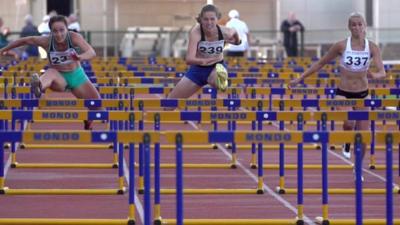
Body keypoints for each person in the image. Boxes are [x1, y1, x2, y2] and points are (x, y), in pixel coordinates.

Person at [289, 13, 386, 181]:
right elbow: (321, 63)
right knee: (350, 122)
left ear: (365, 26)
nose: (357, 27)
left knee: (364, 136)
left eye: (359, 24)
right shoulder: (341, 46)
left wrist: (376, 76)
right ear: (349, 27)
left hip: (363, 94)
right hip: (343, 92)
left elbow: (382, 71)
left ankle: (358, 168)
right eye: (353, 25)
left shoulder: (372, 47)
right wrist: (300, 78)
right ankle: (346, 140)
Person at [0, 15, 100, 130]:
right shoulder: (46, 41)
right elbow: (24, 40)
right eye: (55, 31)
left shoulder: (74, 37)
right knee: (51, 71)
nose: (58, 34)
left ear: (67, 29)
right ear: (51, 32)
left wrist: (80, 57)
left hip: (77, 76)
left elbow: (91, 52)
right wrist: (4, 49)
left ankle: (88, 120)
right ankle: (38, 86)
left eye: (62, 30)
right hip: (58, 78)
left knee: (98, 106)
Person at [167, 4, 241, 99]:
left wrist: (237, 41)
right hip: (197, 70)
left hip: (216, 67)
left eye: (212, 19)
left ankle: (220, 81)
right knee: (170, 102)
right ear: (201, 20)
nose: (209, 22)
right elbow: (189, 59)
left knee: (214, 79)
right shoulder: (196, 32)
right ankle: (217, 81)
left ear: (217, 19)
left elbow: (234, 31)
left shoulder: (225, 31)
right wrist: (204, 61)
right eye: (206, 19)